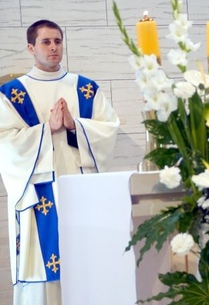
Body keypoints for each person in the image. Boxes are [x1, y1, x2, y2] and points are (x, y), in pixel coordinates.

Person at [0, 20, 120, 305]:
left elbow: (109, 129)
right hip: (39, 196)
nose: (54, 47)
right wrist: (46, 129)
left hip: (81, 191)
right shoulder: (12, 94)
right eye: (46, 42)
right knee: (44, 272)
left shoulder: (85, 88)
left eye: (58, 41)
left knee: (86, 266)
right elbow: (6, 143)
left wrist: (74, 126)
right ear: (31, 48)